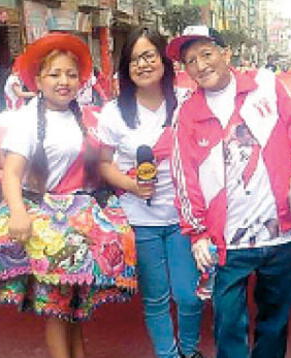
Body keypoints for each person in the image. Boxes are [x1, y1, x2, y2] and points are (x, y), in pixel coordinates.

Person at [0, 32, 137, 358]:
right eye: (55, 74)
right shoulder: (27, 121)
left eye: (71, 74)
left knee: (73, 309)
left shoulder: (86, 118)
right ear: (38, 80)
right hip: (45, 224)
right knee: (57, 307)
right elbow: (12, 173)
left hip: (77, 222)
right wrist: (18, 213)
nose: (64, 81)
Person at [166, 25, 291, 358]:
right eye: (191, 61)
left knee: (274, 322)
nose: (201, 66)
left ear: (225, 53)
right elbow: (184, 176)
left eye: (206, 54)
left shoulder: (265, 85)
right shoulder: (187, 113)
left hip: (279, 234)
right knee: (228, 324)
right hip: (227, 242)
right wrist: (198, 233)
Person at [97, 26, 204, 358]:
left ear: (163, 60)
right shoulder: (114, 113)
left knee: (188, 295)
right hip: (139, 219)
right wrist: (132, 185)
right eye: (133, 59)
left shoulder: (187, 103)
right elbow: (103, 164)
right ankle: (168, 354)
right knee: (156, 297)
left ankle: (190, 350)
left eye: (148, 56)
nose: (142, 65)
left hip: (183, 218)